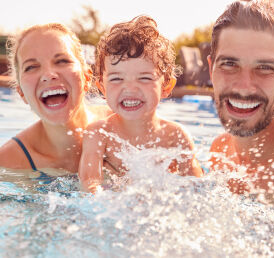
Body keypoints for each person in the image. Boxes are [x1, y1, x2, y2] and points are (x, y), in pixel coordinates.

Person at [78, 16, 203, 192]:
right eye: (117, 78)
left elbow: (196, 189)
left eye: (144, 78)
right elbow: (89, 184)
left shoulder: (175, 136)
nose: (129, 88)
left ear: (166, 86)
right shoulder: (99, 134)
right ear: (101, 87)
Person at [208, 0, 274, 196]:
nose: (244, 87)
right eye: (229, 64)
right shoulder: (220, 150)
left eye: (265, 68)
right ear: (211, 69)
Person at [0, 23, 111, 176]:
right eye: (31, 67)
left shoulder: (125, 125)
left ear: (86, 78)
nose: (48, 74)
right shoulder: (8, 164)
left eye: (62, 61)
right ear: (21, 93)